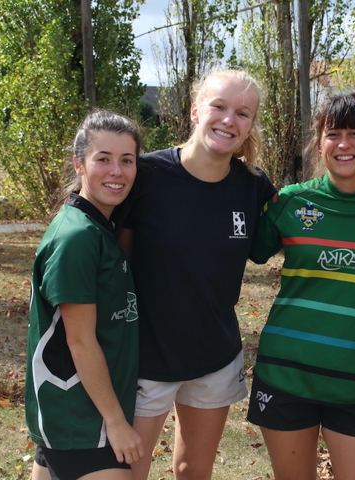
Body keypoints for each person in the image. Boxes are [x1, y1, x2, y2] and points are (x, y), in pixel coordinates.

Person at [121, 69, 278, 480]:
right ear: (195, 111)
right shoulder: (146, 176)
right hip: (145, 357)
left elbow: (309, 210)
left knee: (194, 470)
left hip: (214, 357)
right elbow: (105, 253)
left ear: (250, 126)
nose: (229, 120)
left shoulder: (254, 186)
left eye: (243, 113)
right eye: (219, 106)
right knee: (126, 473)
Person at [246, 93, 355, 480]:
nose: (344, 143)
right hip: (285, 374)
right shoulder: (290, 201)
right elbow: (248, 249)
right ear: (319, 143)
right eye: (333, 133)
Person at [25, 110, 144, 480]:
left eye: (127, 160)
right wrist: (116, 422)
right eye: (103, 159)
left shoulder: (99, 226)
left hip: (75, 415)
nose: (117, 171)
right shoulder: (76, 237)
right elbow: (79, 341)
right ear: (79, 164)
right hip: (81, 418)